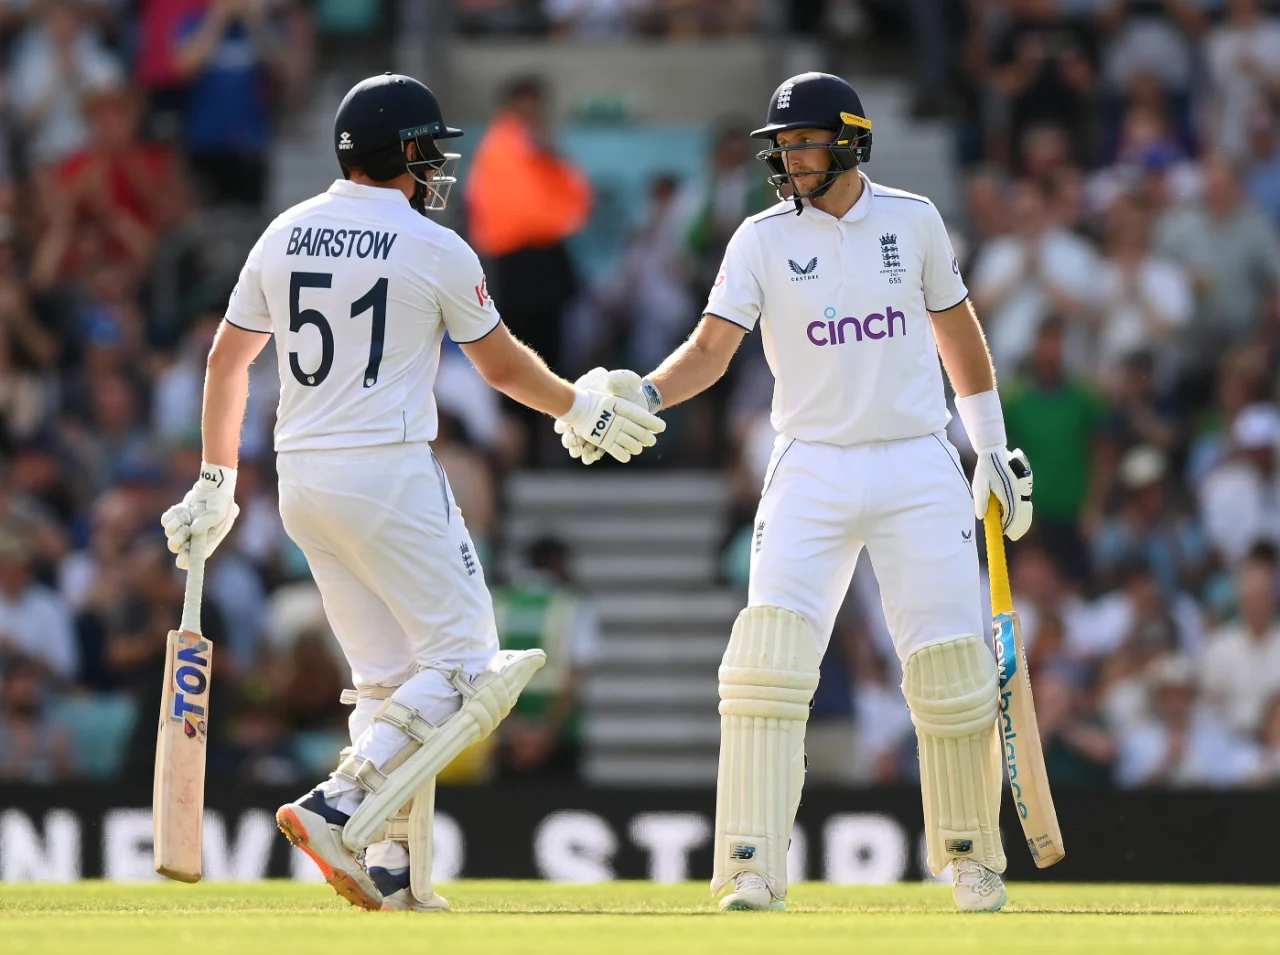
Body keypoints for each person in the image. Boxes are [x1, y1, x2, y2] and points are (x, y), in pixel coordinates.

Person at [158, 73, 664, 914]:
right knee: (470, 660)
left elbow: (227, 362)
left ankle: (386, 862)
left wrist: (216, 477)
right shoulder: (434, 247)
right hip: (386, 471)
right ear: (403, 155)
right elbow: (500, 365)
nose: (438, 168)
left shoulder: (285, 231)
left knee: (388, 680)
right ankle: (342, 800)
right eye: (430, 151)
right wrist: (581, 406)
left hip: (300, 479)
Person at [560, 72, 1033, 913]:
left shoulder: (914, 219)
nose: (788, 160)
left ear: (851, 141)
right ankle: (750, 864)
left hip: (917, 460)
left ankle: (968, 856)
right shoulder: (758, 237)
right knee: (765, 667)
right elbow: (711, 348)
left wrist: (990, 446)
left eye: (804, 144)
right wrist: (646, 395)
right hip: (810, 463)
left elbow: (957, 329)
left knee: (952, 668)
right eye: (780, 147)